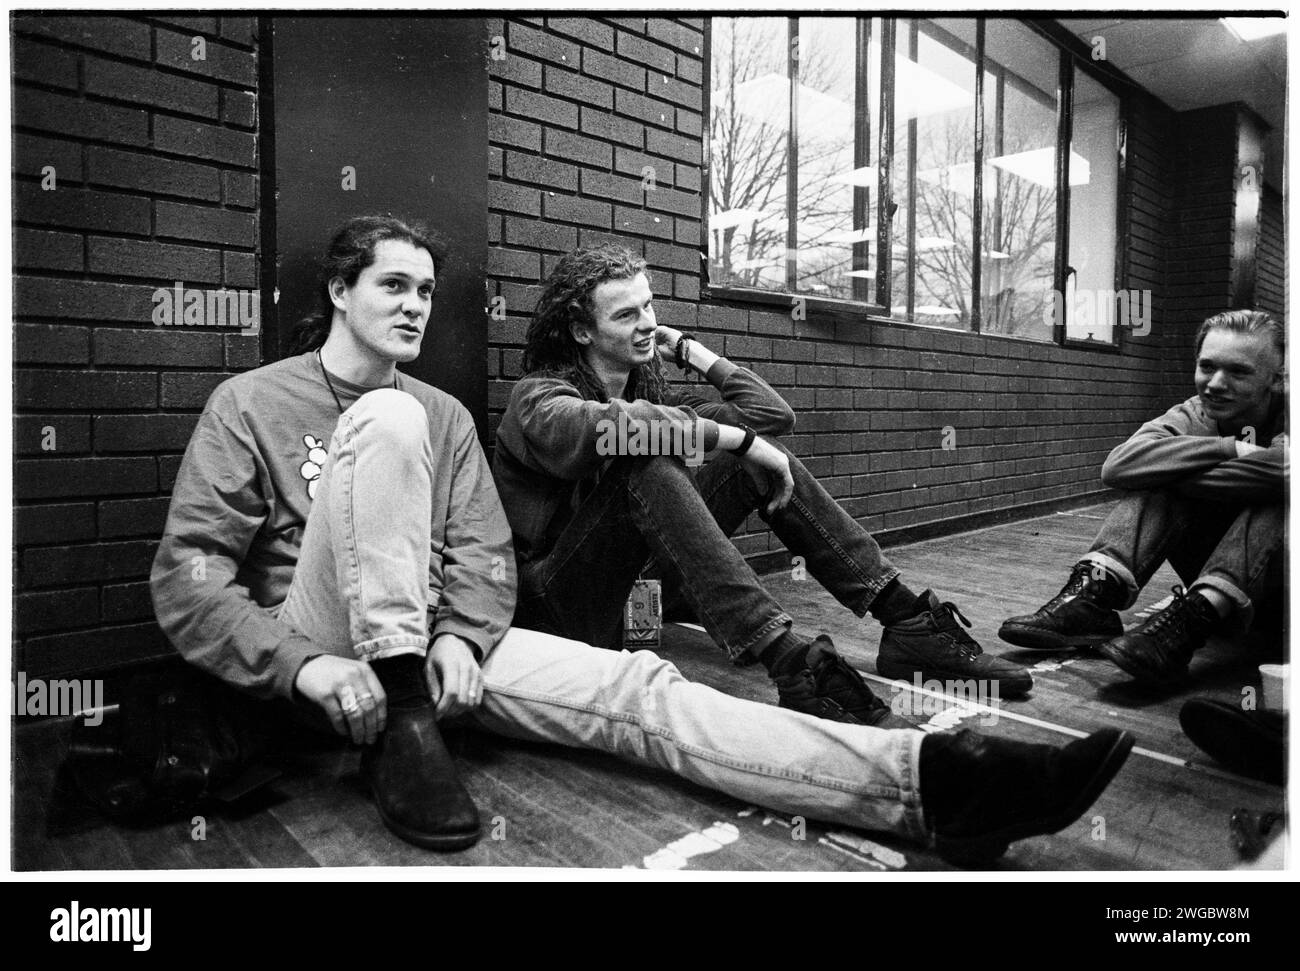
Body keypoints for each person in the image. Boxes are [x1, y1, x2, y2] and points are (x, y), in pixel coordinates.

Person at [151, 215, 1133, 863]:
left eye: (425, 291)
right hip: (323, 642)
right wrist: (298, 666)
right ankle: (400, 713)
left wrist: (460, 632)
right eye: (393, 286)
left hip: (450, 654)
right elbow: (190, 579)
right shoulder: (253, 403)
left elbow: (485, 559)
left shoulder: (447, 412)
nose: (414, 305)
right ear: (338, 291)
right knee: (388, 421)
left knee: (644, 689)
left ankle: (934, 785)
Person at [492, 244, 1033, 727]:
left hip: (642, 591)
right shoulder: (538, 398)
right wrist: (742, 442)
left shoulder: (658, 393)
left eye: (650, 306)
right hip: (559, 605)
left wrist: (688, 350)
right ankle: (793, 665)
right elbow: (610, 430)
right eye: (627, 314)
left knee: (765, 462)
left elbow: (771, 415)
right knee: (649, 460)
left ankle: (905, 619)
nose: (648, 323)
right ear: (582, 331)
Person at [999, 310, 1286, 687]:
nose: (1215, 384)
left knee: (1278, 497)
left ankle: (1192, 618)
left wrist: (1182, 469)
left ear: (1277, 378)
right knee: (1156, 471)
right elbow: (1117, 466)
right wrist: (1230, 448)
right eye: (1207, 366)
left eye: (1238, 371)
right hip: (1219, 597)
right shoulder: (1193, 413)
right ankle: (1094, 597)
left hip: (1282, 603)